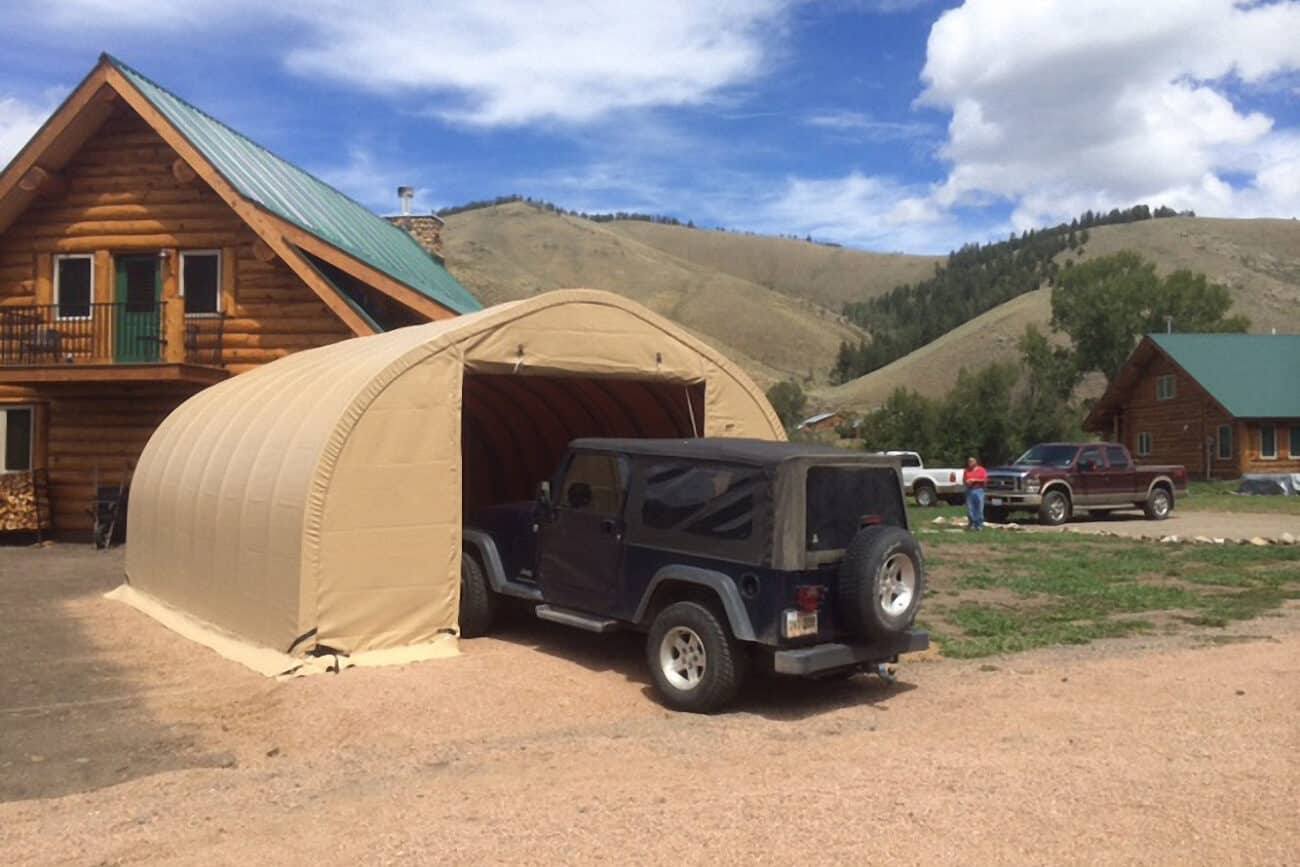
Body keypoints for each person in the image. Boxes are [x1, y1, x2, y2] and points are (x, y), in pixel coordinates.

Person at [964, 456, 987, 531]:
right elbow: (964, 480)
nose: (970, 463)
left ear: (975, 462)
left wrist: (974, 480)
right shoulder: (966, 471)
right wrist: (967, 482)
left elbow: (984, 479)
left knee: (979, 508)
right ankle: (972, 524)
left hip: (979, 490)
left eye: (971, 461)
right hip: (969, 490)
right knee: (970, 509)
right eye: (969, 461)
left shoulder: (981, 470)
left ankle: (979, 525)